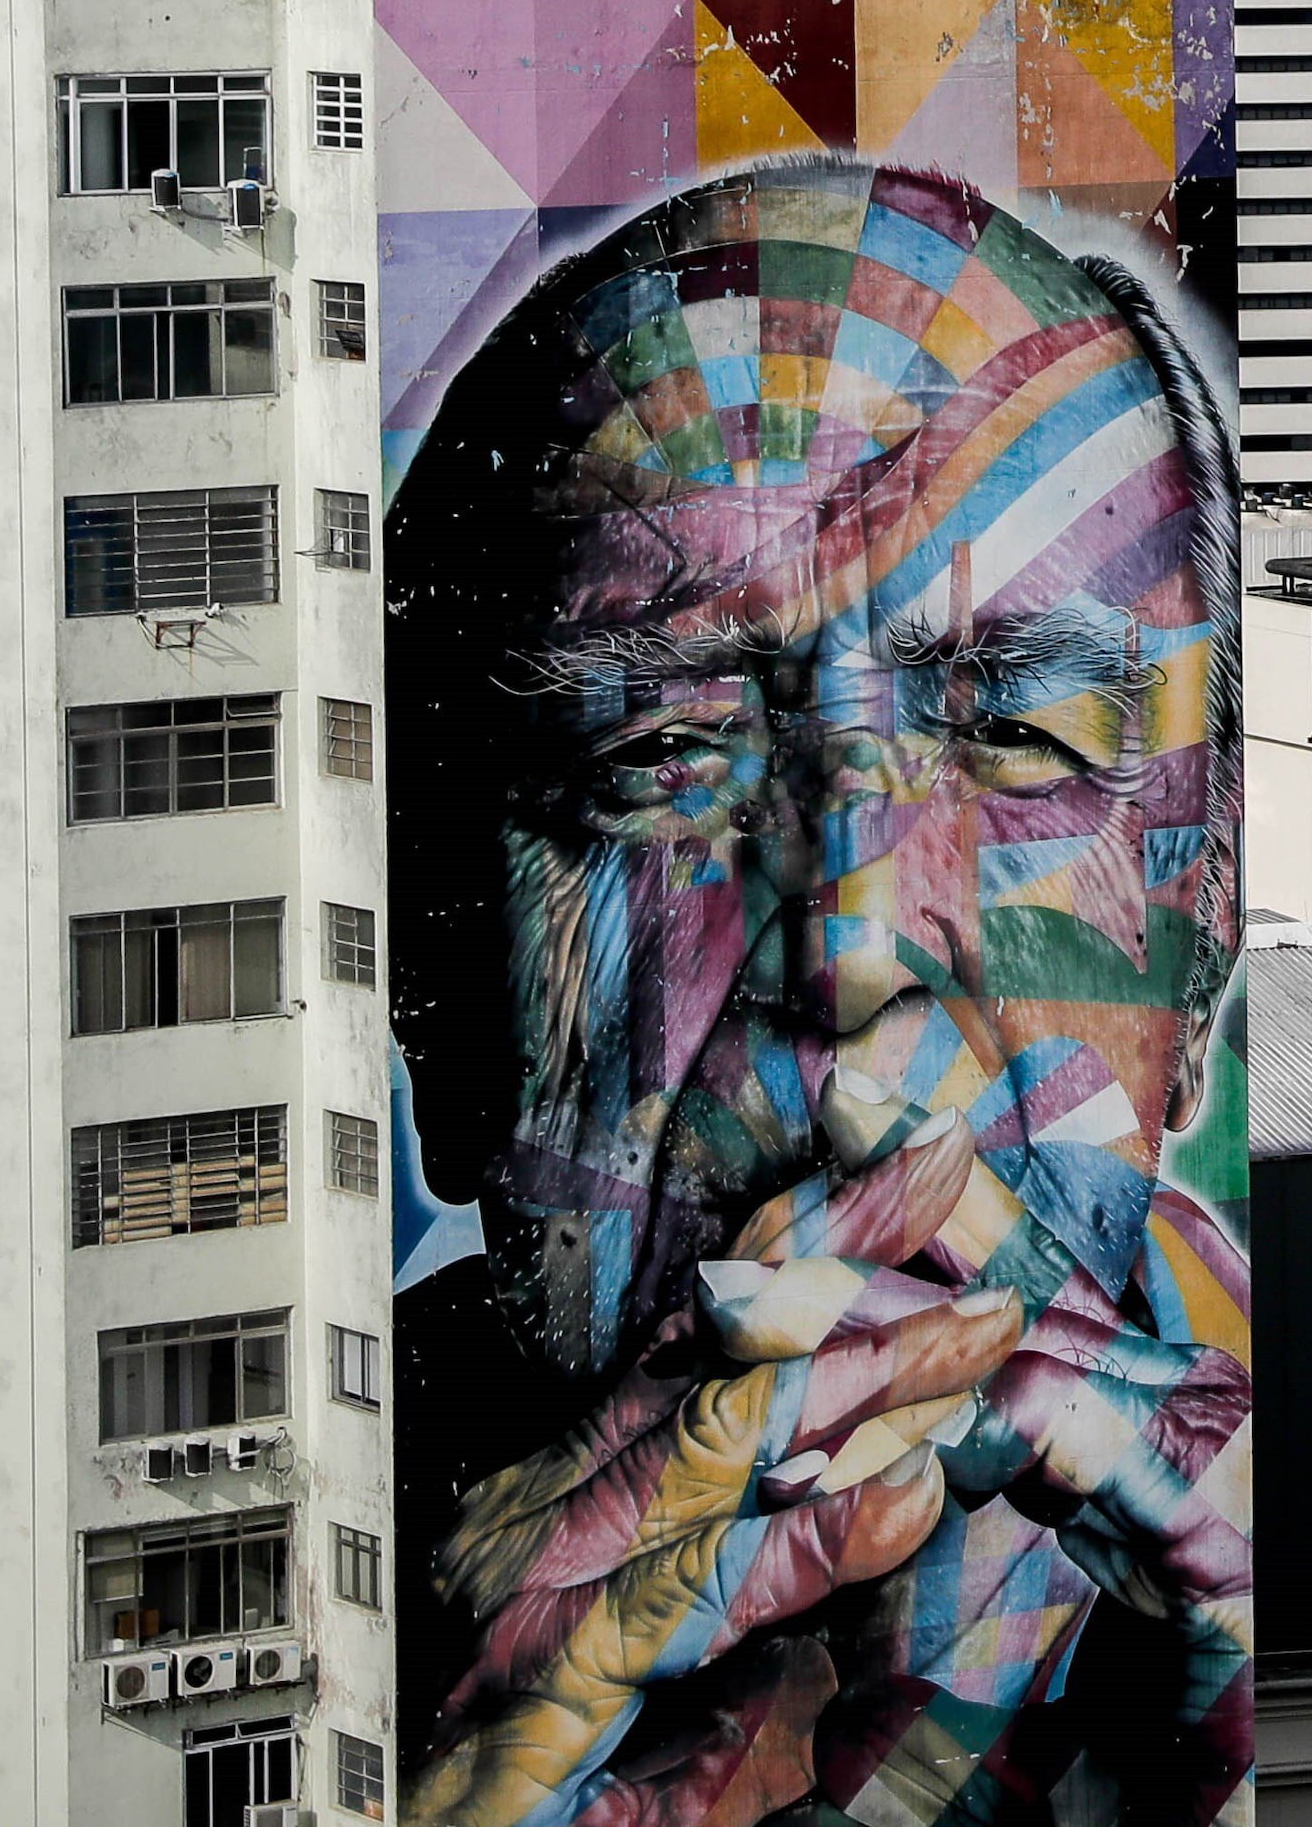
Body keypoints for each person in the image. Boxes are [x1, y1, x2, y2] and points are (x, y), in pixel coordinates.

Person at [385, 158, 1249, 1820]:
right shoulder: (324, 1583)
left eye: (1019, 741)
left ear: (1197, 944)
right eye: (665, 756)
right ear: (430, 983)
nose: (849, 948)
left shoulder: (1278, 1576)